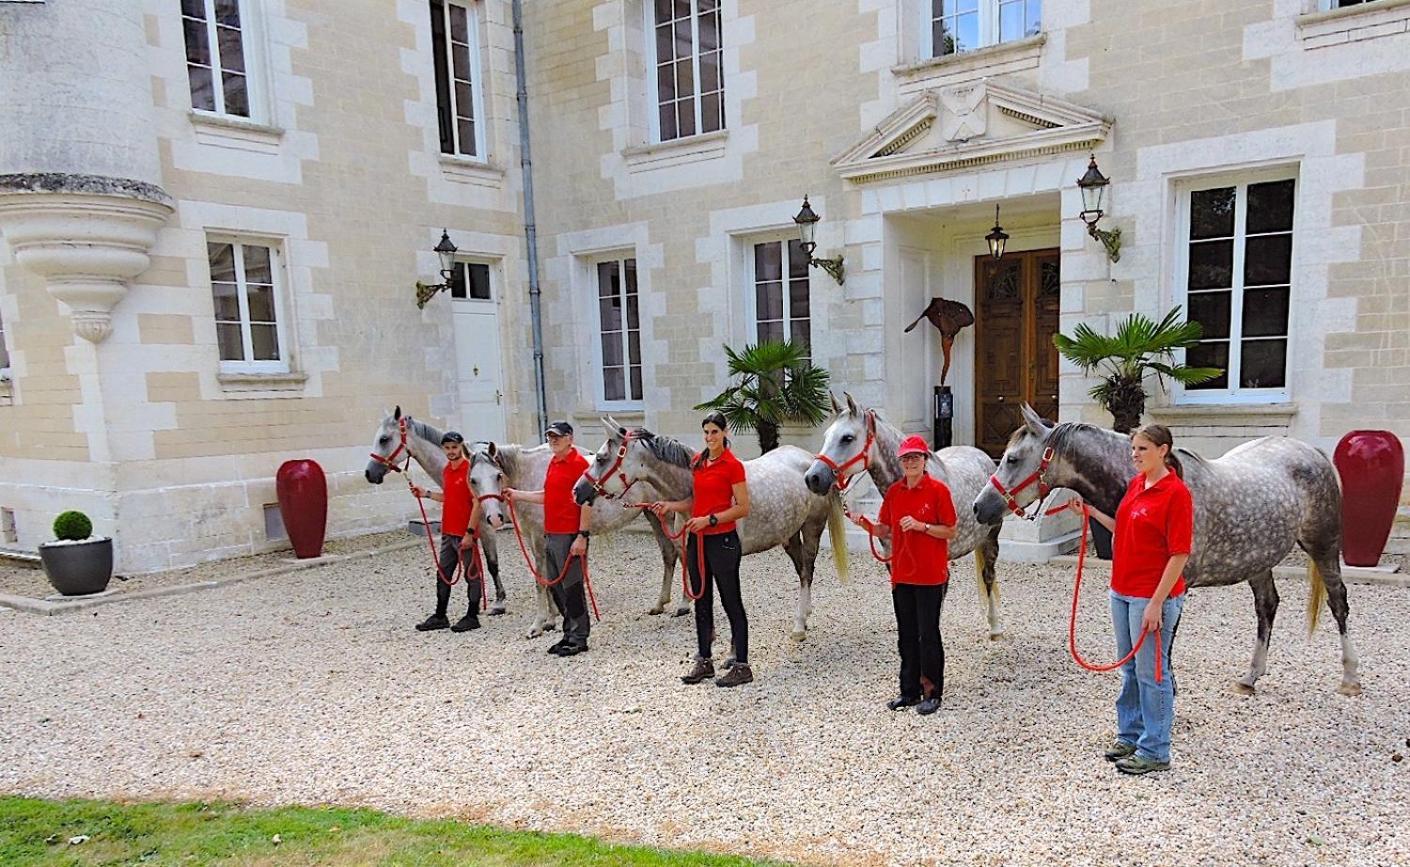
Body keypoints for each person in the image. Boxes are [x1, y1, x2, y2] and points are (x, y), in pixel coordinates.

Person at [1065, 423, 1192, 775]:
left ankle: (1156, 748)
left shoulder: (1175, 494)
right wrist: (1089, 514)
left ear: (1163, 450)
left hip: (1150, 596)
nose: (1135, 455)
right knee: (1129, 669)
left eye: (1142, 449)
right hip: (1121, 590)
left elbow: (1179, 553)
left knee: (1153, 672)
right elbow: (1125, 528)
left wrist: (1156, 602)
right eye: (1133, 449)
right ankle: (1131, 734)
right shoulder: (1137, 485)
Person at [848, 434, 956, 715]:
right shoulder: (895, 492)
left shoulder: (939, 491)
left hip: (930, 574)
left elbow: (950, 530)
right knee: (906, 634)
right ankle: (908, 691)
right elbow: (885, 529)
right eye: (906, 458)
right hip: (902, 574)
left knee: (928, 634)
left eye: (915, 457)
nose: (910, 462)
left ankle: (932, 692)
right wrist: (865, 525)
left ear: (925, 460)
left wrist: (922, 526)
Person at [650, 411, 753, 687]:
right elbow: (695, 500)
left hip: (723, 540)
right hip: (698, 540)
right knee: (701, 600)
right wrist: (672, 506)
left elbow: (743, 506)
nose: (710, 438)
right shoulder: (698, 462)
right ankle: (704, 661)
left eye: (715, 432)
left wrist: (710, 520)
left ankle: (742, 664)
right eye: (706, 432)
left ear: (725, 433)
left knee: (731, 601)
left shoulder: (733, 466)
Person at [504, 421, 594, 656]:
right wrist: (517, 495)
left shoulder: (579, 465)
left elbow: (587, 501)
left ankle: (579, 637)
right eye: (550, 436)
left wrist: (582, 536)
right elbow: (547, 495)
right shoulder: (553, 463)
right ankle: (568, 633)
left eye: (558, 436)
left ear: (569, 438)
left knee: (572, 587)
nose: (553, 440)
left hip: (569, 534)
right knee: (556, 587)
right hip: (551, 533)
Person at [410, 431, 484, 633]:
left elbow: (477, 503)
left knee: (472, 574)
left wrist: (470, 533)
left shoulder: (469, 471)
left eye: (454, 447)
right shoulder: (447, 471)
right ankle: (440, 615)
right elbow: (449, 497)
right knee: (443, 573)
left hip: (464, 533)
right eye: (448, 448)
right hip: (448, 531)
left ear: (461, 447)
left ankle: (472, 615)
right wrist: (426, 494)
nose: (451, 452)